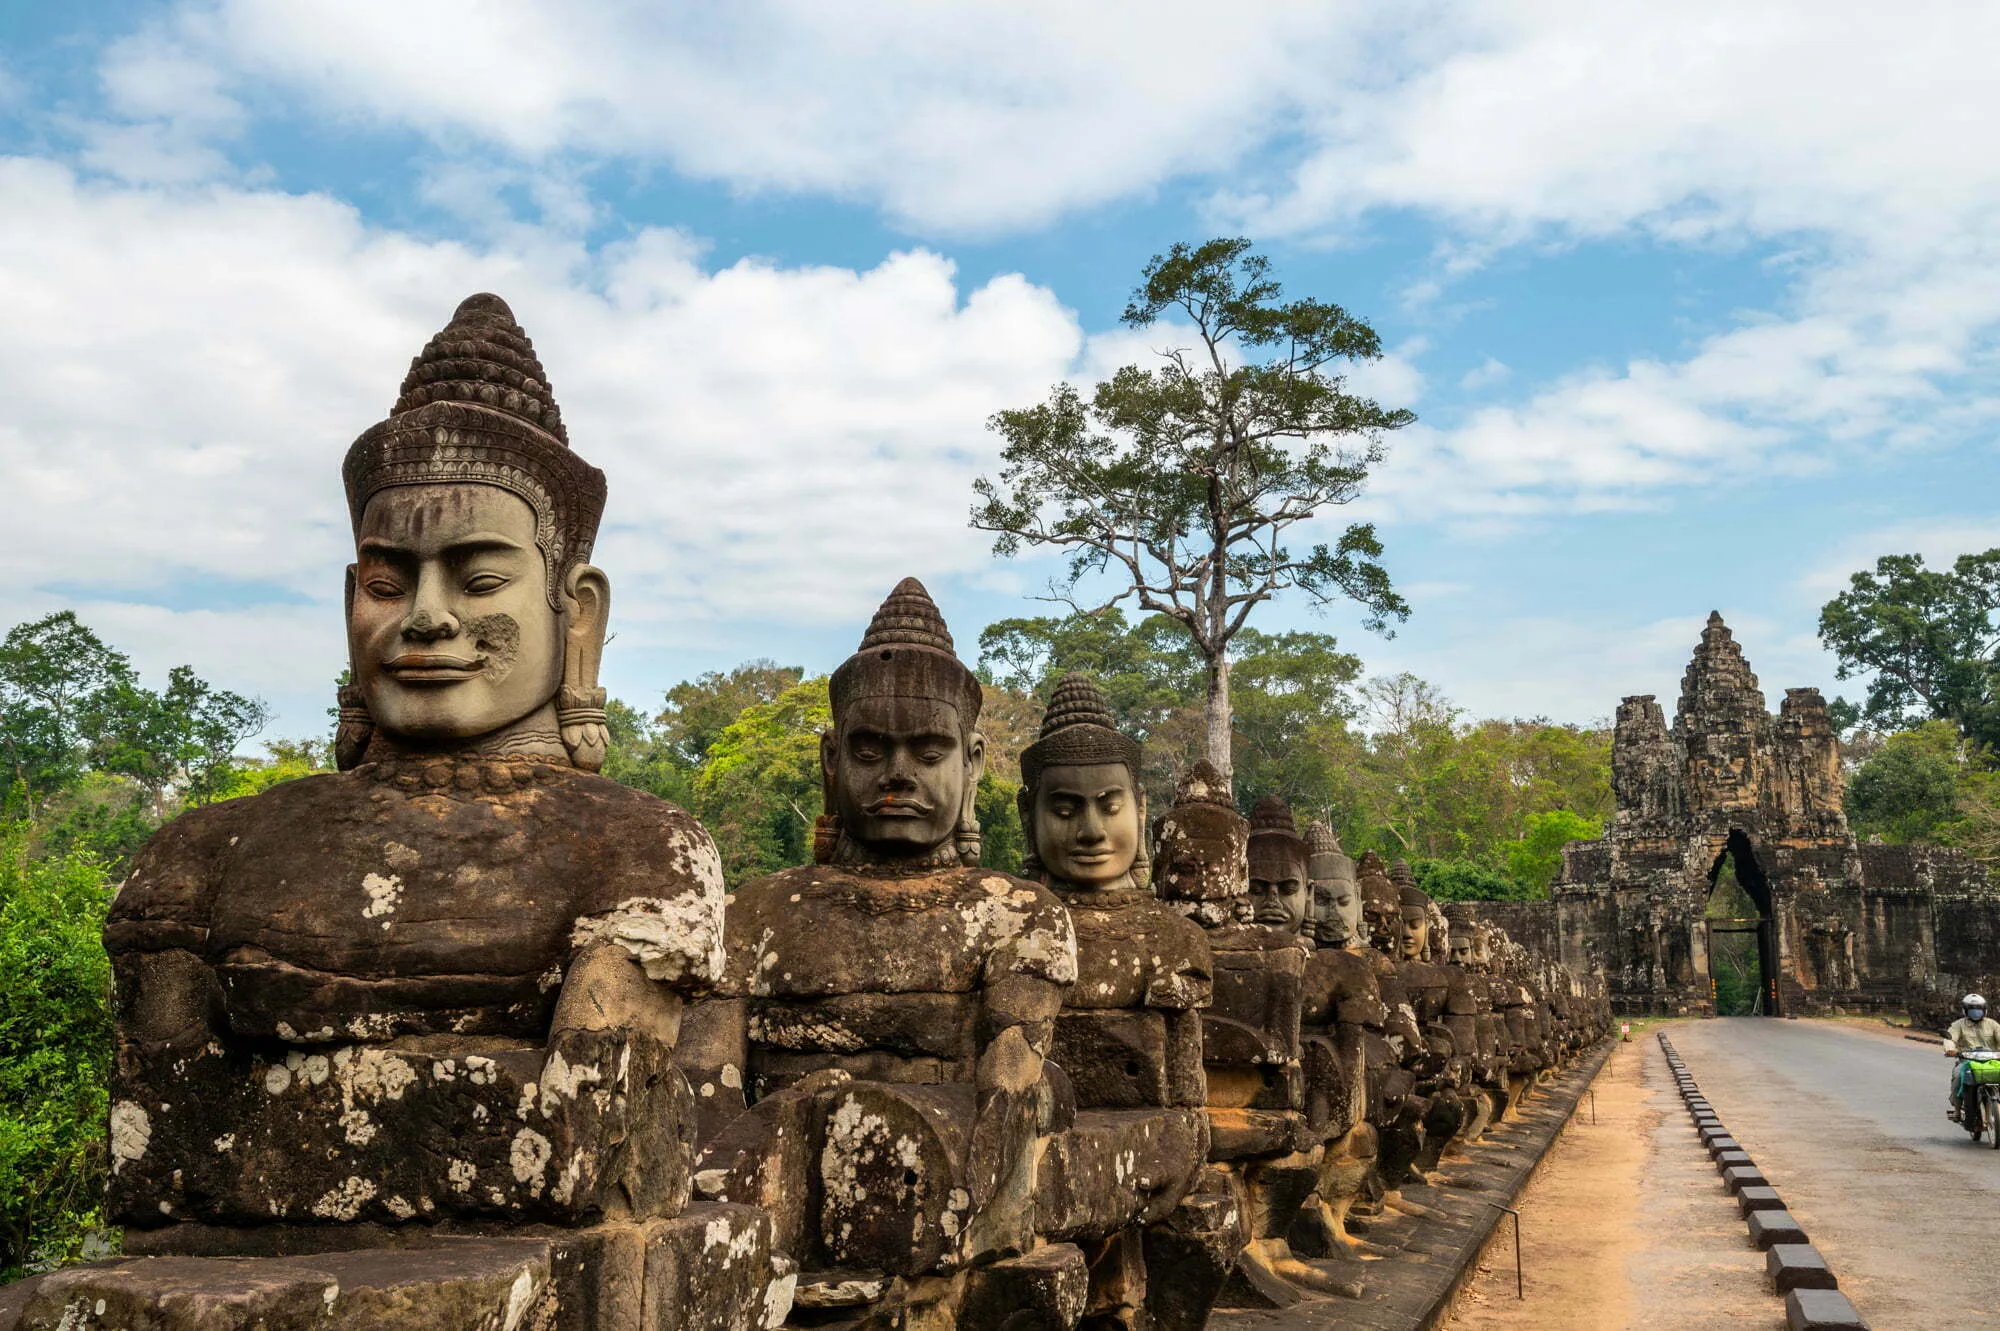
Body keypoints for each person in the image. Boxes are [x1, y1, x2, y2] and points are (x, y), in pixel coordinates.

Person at [1944, 993, 2000, 1120]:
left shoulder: (1993, 1025)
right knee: (1958, 1076)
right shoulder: (1958, 1025)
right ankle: (1957, 1110)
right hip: (1967, 1062)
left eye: (1979, 1009)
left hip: (1993, 1061)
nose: (1976, 1012)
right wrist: (1950, 1049)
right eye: (1972, 1009)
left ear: (1984, 1010)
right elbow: (1950, 1038)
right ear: (1965, 1010)